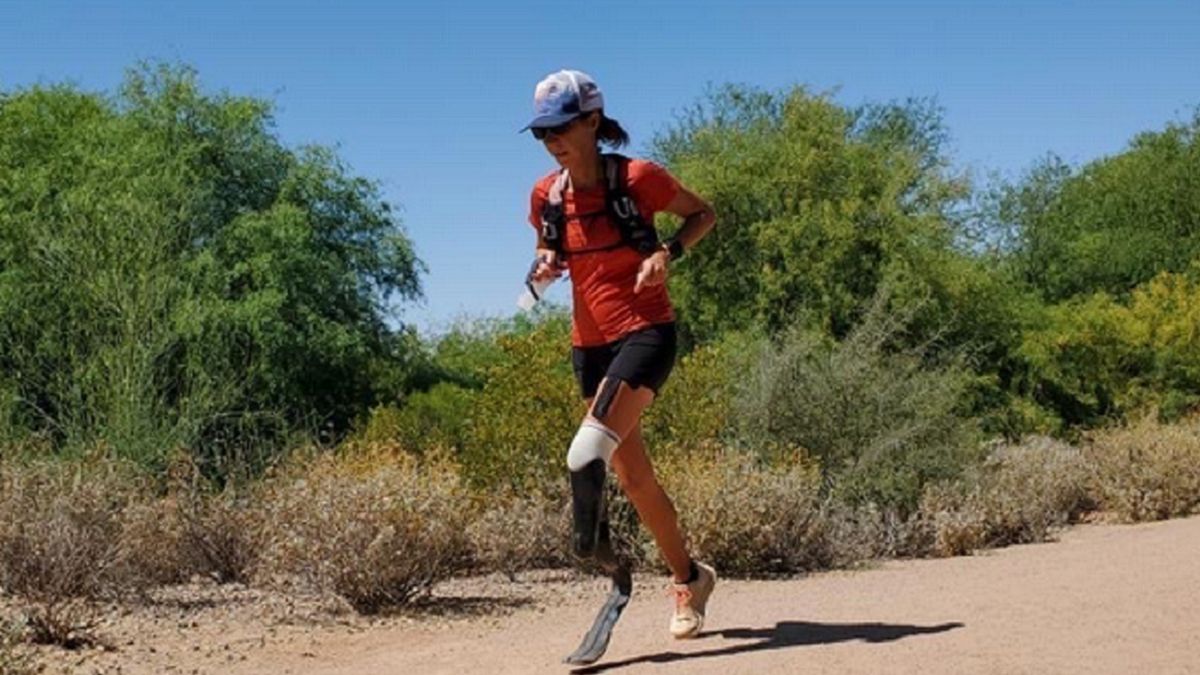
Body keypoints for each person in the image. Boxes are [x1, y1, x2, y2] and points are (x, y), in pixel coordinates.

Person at [522, 69, 719, 639]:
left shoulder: (638, 178)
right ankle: (691, 578)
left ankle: (607, 567)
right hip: (589, 347)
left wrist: (666, 252)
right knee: (633, 479)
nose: (552, 141)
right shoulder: (546, 195)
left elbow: (703, 214)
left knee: (585, 453)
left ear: (591, 121)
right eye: (542, 132)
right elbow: (548, 248)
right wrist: (543, 265)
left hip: (645, 332)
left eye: (561, 127)